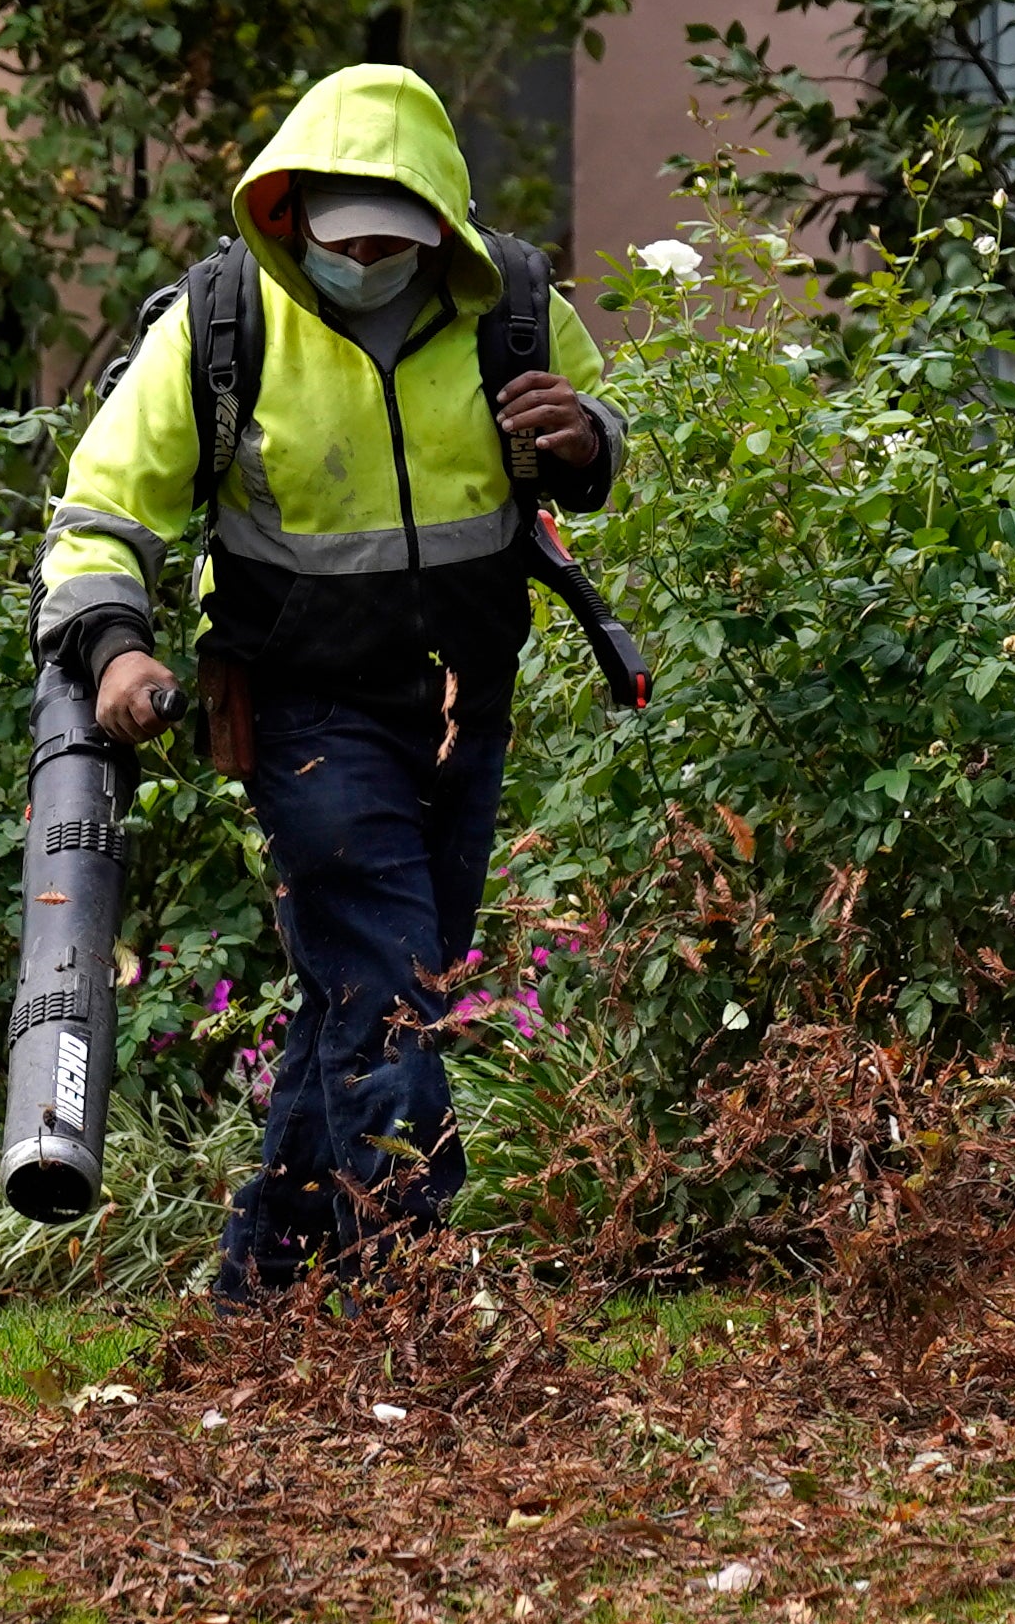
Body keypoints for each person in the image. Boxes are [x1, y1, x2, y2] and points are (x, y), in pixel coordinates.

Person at [33, 64, 624, 1304]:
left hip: (468, 701)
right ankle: (403, 1279)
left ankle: (267, 1280)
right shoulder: (222, 321)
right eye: (346, 238)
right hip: (303, 711)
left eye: (396, 243)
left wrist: (588, 442)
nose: (369, 259)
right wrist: (117, 646)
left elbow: (599, 442)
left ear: (438, 233)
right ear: (289, 209)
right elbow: (100, 513)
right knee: (397, 991)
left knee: (373, 985)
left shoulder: (511, 306)